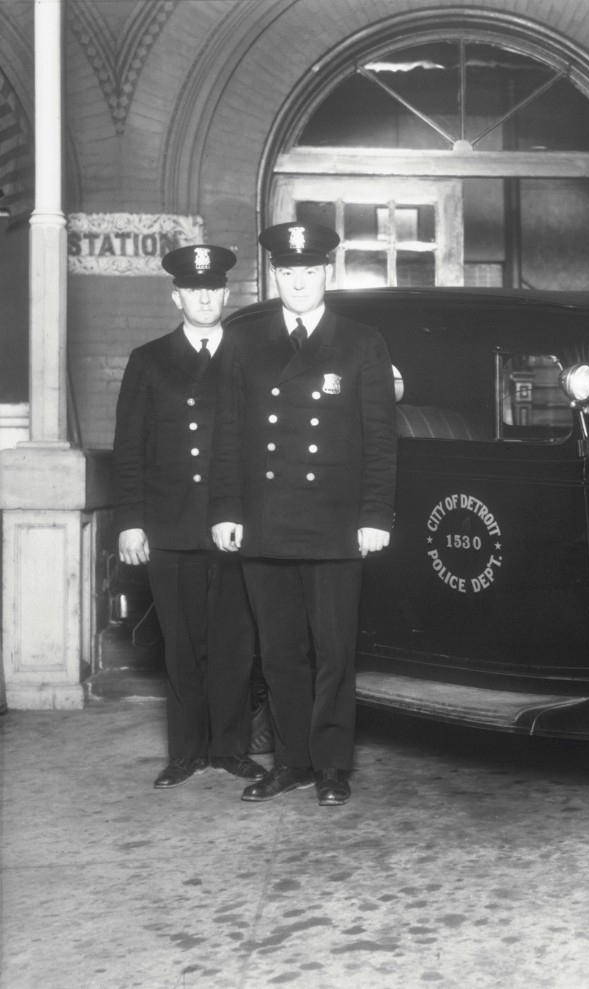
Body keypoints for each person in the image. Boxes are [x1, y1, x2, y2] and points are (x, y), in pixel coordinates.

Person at [210, 221, 397, 807]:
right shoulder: (244, 341)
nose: (297, 281)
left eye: (308, 271)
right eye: (287, 272)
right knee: (280, 653)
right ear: (275, 275)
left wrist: (376, 516)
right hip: (265, 523)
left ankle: (332, 765)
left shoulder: (362, 342)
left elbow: (380, 440)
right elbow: (228, 433)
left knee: (335, 653)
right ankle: (291, 761)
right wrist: (225, 510)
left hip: (336, 525)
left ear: (326, 274)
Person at [112, 244, 264, 789]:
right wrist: (131, 520)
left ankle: (230, 748)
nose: (204, 297)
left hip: (236, 528)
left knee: (233, 642)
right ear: (177, 296)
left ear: (227, 294)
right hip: (171, 526)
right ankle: (186, 752)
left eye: (214, 288)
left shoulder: (252, 357)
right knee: (181, 643)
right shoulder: (148, 360)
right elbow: (129, 448)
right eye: (193, 289)